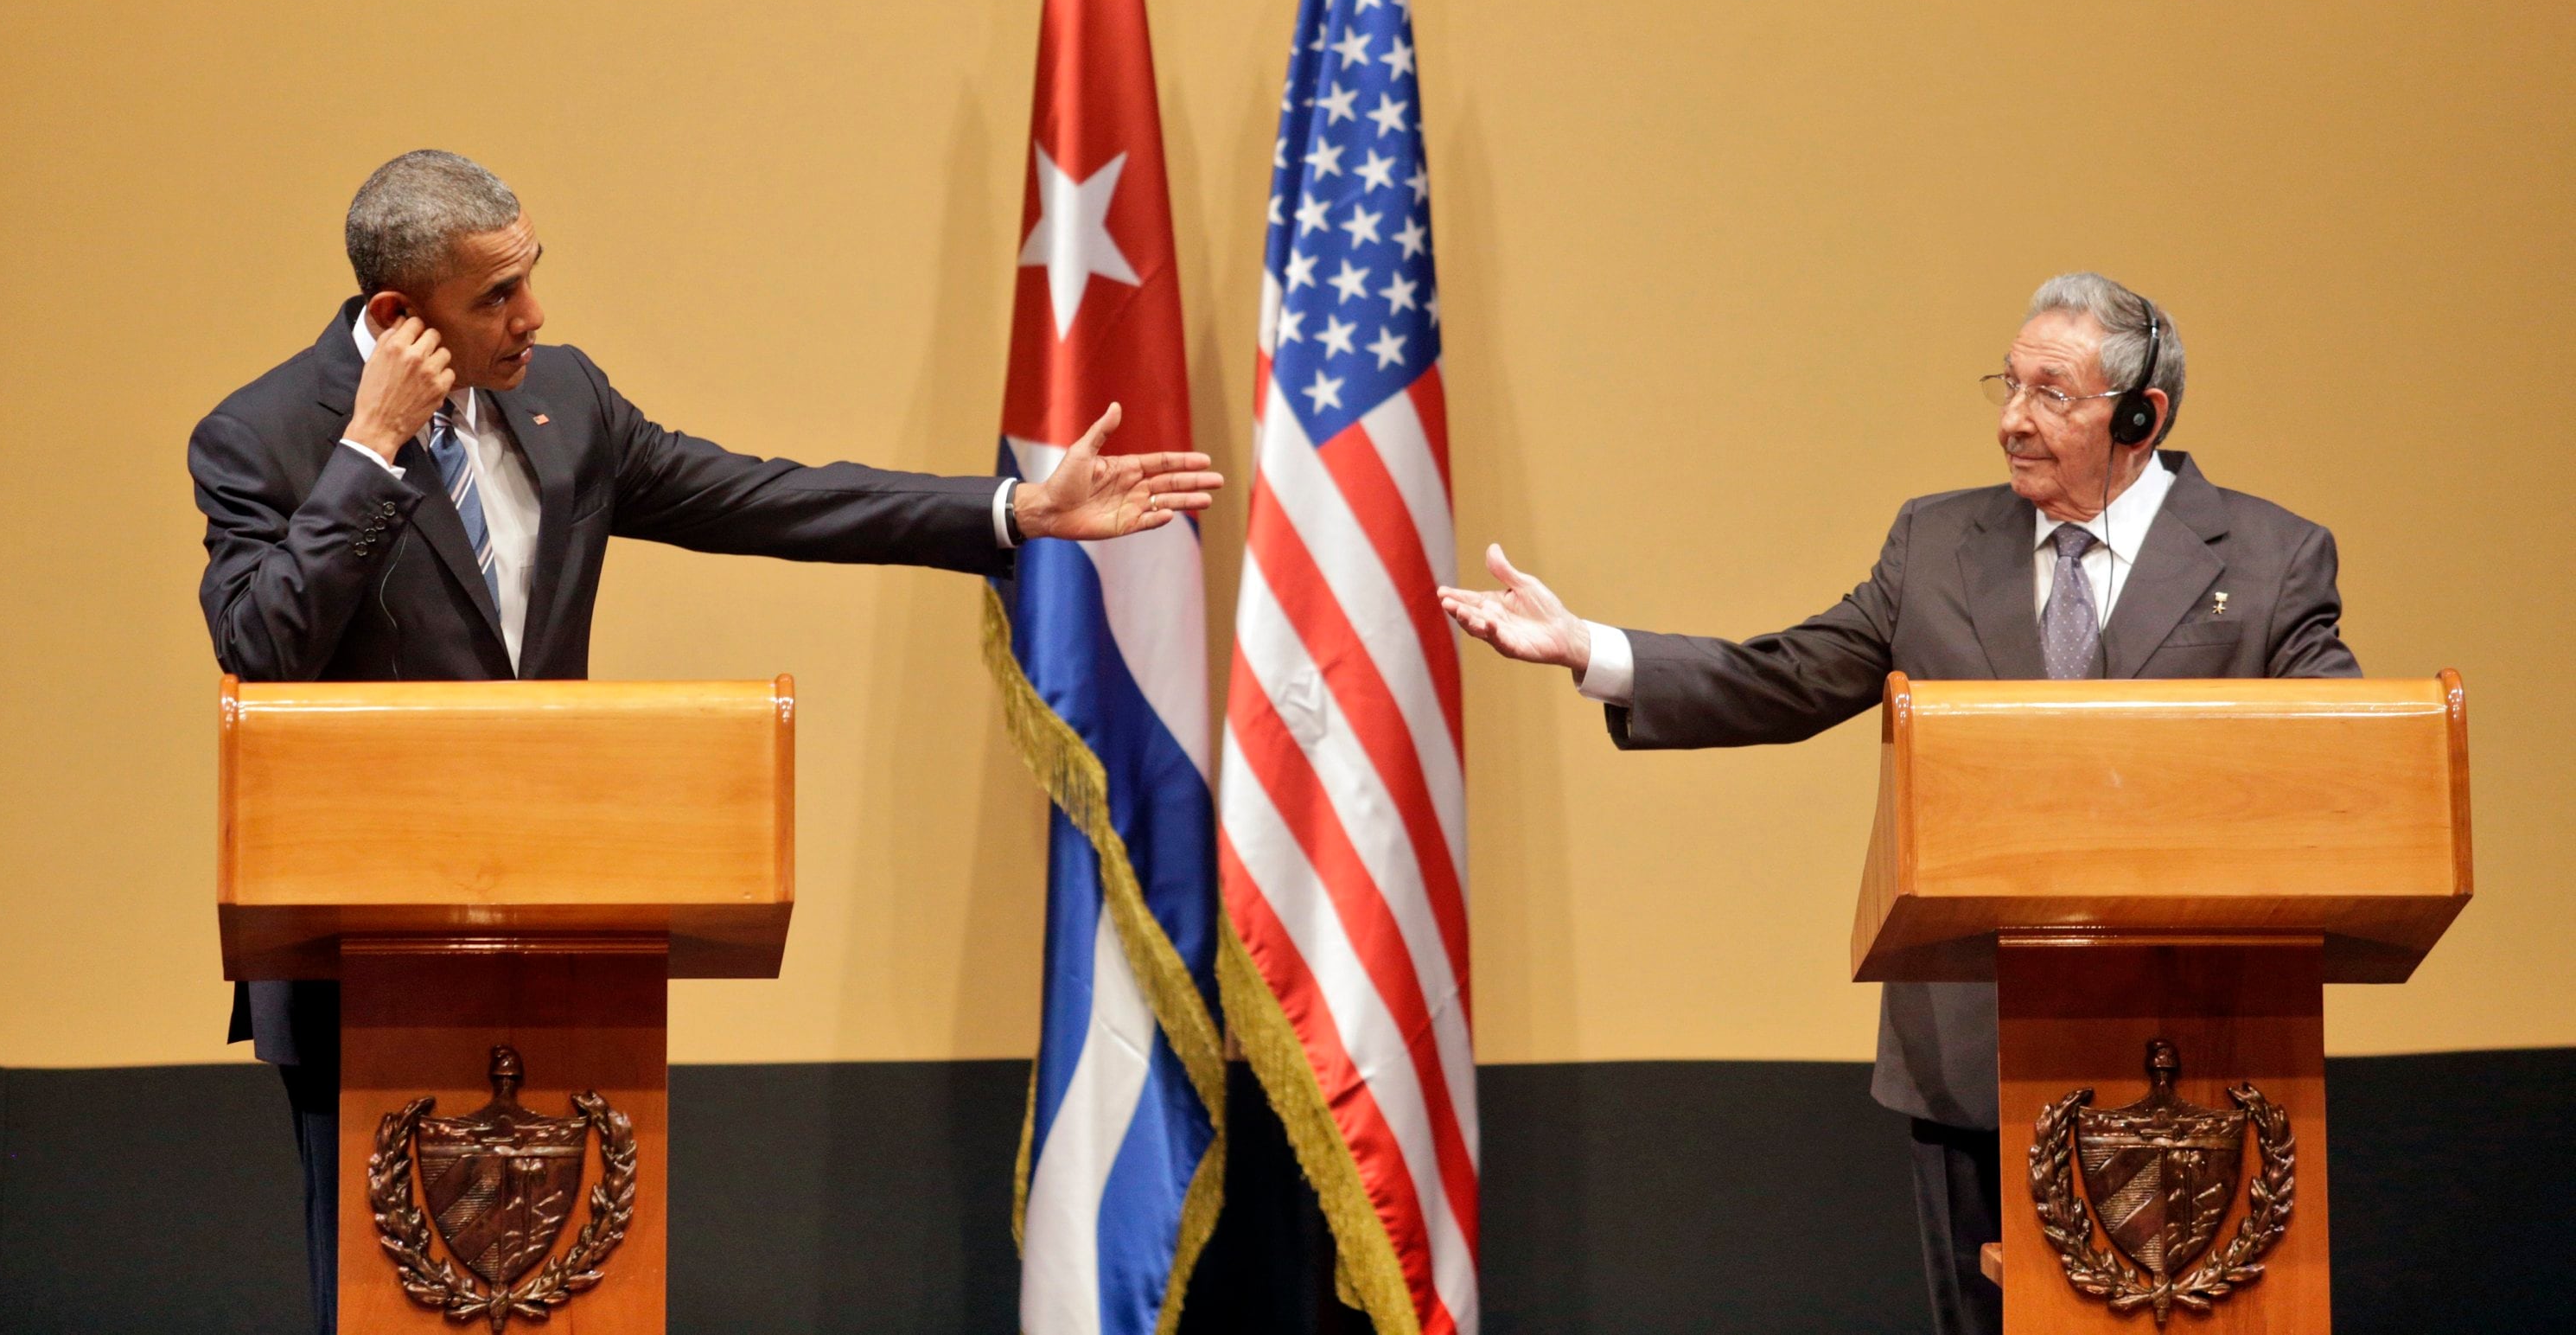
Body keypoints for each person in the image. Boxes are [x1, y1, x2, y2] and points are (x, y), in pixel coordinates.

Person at [189, 149, 1221, 1333]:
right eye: (496, 297)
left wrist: (1010, 511)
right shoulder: (261, 436)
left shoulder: (564, 398)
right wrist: (370, 448)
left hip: (566, 926)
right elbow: (263, 649)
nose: (534, 314)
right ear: (394, 315)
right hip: (356, 953)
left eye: (532, 276)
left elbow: (763, 496)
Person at [1436, 272, 2356, 1335]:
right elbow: (1789, 677)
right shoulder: (1936, 544)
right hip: (1967, 1040)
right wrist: (1592, 650)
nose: (2013, 419)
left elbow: (2333, 752)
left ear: (2142, 416)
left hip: (2207, 1034)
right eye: (2007, 386)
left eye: (2051, 394)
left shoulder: (2271, 555)